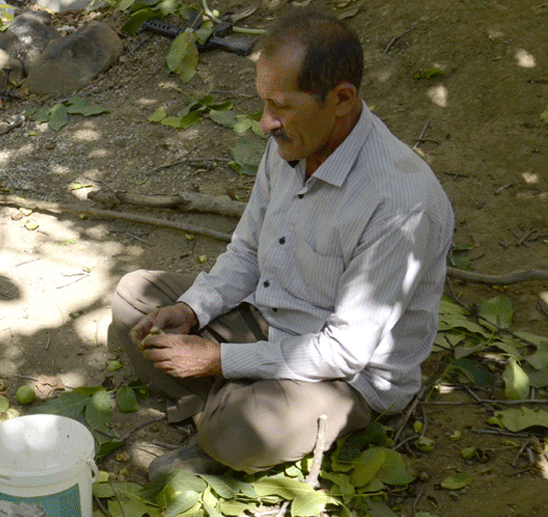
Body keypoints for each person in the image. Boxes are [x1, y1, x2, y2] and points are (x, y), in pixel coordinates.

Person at [109, 7, 454, 479]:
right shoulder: (291, 145)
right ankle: (222, 412)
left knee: (245, 428)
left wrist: (217, 359)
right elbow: (247, 252)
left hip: (345, 376)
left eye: (282, 107)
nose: (265, 123)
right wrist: (191, 312)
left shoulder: (400, 204)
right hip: (267, 319)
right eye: (264, 104)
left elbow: (346, 352)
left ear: (342, 99)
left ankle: (223, 421)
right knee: (134, 300)